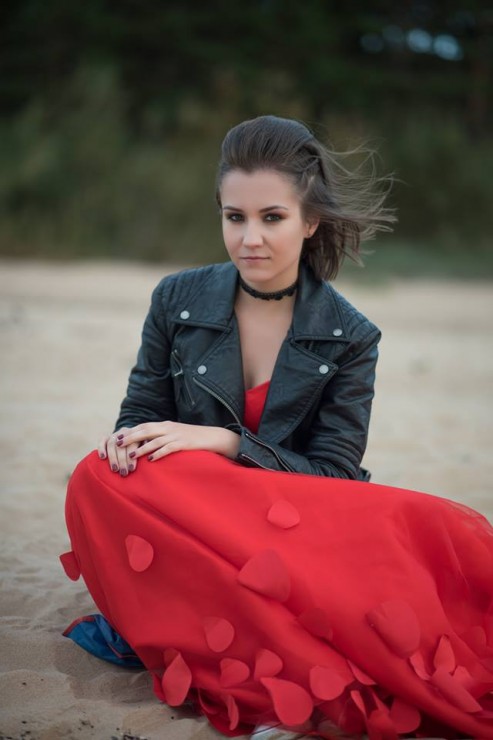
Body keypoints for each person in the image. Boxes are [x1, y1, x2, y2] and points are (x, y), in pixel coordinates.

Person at [61, 116, 493, 739]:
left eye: (272, 217)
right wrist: (124, 442)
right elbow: (140, 416)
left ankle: (216, 616)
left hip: (296, 519)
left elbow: (334, 474)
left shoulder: (351, 335)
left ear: (310, 221)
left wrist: (227, 442)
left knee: (406, 549)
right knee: (94, 476)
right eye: (234, 217)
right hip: (194, 505)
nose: (250, 238)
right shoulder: (175, 300)